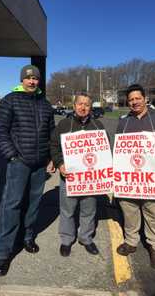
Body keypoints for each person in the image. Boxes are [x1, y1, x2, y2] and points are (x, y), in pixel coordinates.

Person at [0, 65, 55, 276]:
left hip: (39, 164)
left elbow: (51, 134)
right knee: (11, 205)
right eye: (28, 78)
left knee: (33, 203)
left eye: (35, 79)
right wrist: (12, 155)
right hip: (19, 162)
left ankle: (27, 237)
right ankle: (3, 252)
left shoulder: (45, 104)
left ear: (38, 81)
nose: (31, 82)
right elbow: (0, 131)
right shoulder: (10, 100)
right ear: (22, 80)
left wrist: (50, 158)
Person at [116, 84, 155, 270]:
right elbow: (117, 149)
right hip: (129, 177)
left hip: (151, 177)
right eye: (131, 99)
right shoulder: (124, 121)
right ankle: (131, 241)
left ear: (145, 98)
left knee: (153, 212)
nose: (134, 102)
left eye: (137, 98)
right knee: (129, 209)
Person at [50, 93, 105, 257]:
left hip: (91, 179)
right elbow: (53, 145)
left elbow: (105, 149)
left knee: (89, 210)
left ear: (90, 107)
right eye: (80, 104)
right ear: (74, 106)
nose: (83, 107)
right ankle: (67, 240)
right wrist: (60, 164)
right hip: (69, 177)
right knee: (67, 210)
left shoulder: (98, 125)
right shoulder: (64, 125)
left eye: (87, 105)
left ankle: (86, 239)